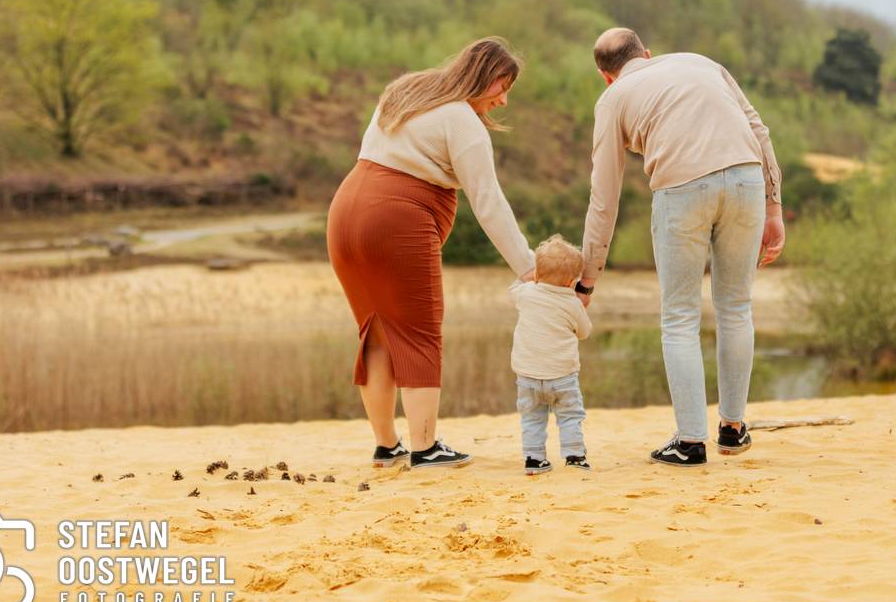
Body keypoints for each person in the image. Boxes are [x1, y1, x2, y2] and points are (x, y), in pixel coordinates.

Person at [578, 28, 785, 467]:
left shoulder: (613, 100)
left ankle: (690, 442)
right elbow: (758, 130)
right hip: (747, 178)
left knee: (679, 318)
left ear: (605, 76)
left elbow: (604, 199)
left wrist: (587, 278)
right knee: (735, 307)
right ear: (647, 54)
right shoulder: (699, 61)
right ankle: (733, 429)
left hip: (681, 189)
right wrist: (774, 208)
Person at [327, 38, 535, 470]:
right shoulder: (463, 122)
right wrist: (527, 266)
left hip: (346, 211)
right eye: (501, 85)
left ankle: (388, 447)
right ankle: (425, 448)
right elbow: (489, 203)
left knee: (376, 332)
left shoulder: (408, 91)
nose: (504, 99)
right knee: (420, 331)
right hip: (395, 220)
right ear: (480, 74)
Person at [508, 234, 594, 475]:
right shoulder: (572, 303)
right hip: (563, 377)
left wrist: (526, 277)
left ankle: (534, 460)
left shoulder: (526, 293)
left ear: (536, 274)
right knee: (569, 416)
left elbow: (513, 290)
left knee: (532, 418)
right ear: (572, 282)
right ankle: (575, 456)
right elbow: (584, 333)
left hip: (527, 377)